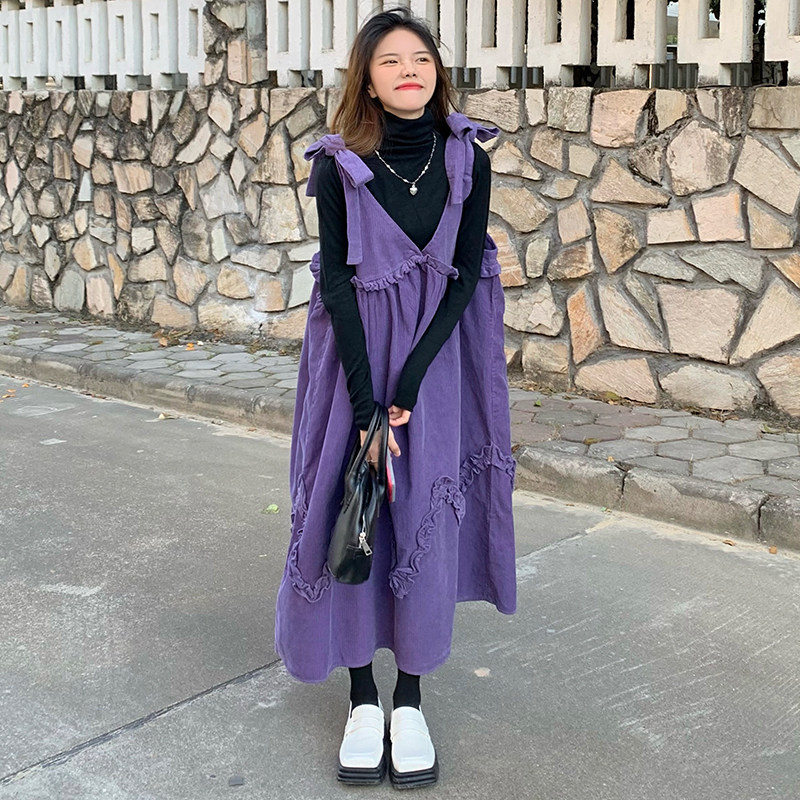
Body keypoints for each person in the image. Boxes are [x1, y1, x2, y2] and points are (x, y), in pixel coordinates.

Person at [273, 6, 517, 789]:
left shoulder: (468, 159)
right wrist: (366, 398)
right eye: (390, 61)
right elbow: (337, 284)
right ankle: (360, 699)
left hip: (435, 367)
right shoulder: (337, 165)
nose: (409, 70)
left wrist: (410, 380)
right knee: (350, 511)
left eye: (421, 58)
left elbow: (463, 277)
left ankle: (408, 699)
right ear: (368, 81)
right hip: (351, 366)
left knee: (420, 516)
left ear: (436, 72)